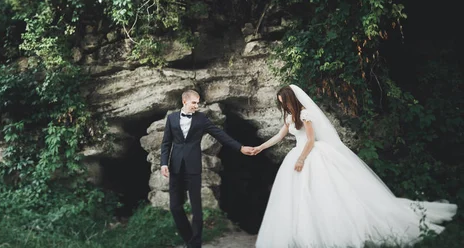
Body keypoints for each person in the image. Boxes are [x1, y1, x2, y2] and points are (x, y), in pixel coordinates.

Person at [254, 84, 458, 248]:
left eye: (286, 103)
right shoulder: (289, 117)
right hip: (298, 155)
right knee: (300, 196)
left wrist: (301, 159)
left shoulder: (305, 114)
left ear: (293, 100)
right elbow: (280, 136)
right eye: (282, 105)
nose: (285, 107)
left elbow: (310, 140)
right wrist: (260, 147)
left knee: (324, 193)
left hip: (311, 154)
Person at [160, 89, 255, 248]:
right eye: (194, 102)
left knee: (196, 208)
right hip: (175, 167)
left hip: (193, 167)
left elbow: (220, 134)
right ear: (185, 101)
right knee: (175, 207)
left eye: (198, 103)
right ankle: (189, 239)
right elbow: (166, 143)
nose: (196, 106)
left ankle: (195, 244)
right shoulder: (172, 118)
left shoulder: (202, 119)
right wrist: (163, 163)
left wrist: (240, 147)